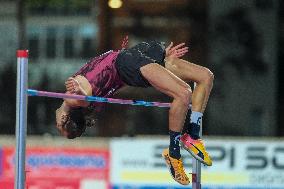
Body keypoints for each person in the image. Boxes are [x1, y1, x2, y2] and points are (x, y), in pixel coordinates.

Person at [55, 36, 214, 185]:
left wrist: (157, 59)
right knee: (184, 93)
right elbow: (81, 99)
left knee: (205, 76)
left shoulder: (82, 101)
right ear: (65, 119)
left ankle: (192, 135)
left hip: (132, 59)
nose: (57, 123)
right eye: (59, 126)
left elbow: (109, 82)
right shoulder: (75, 100)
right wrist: (79, 91)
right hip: (130, 62)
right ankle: (174, 152)